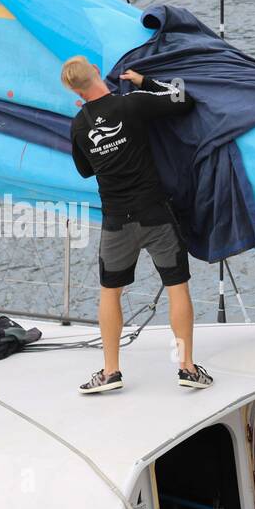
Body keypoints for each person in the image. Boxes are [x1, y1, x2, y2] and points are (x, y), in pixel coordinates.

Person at [61, 55, 213, 394]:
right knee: (177, 287)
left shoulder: (79, 125)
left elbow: (85, 170)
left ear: (74, 91)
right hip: (155, 214)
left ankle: (111, 371)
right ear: (98, 73)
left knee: (110, 293)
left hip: (116, 221)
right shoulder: (130, 105)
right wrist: (144, 81)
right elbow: (182, 99)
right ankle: (186, 366)